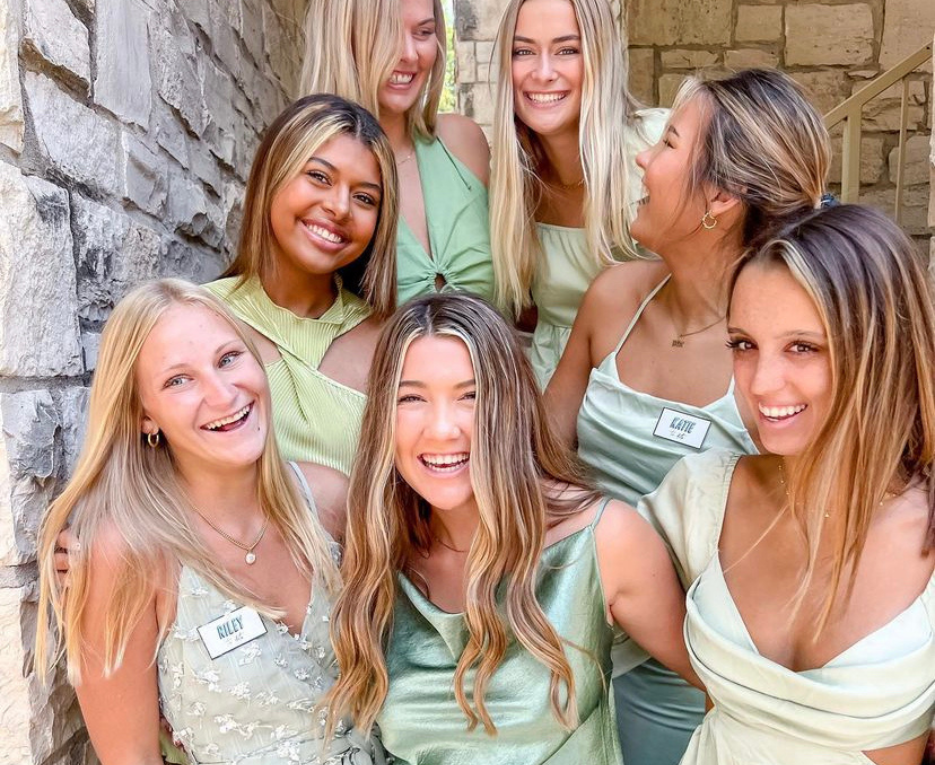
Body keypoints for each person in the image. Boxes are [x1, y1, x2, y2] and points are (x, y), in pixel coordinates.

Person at [545, 68, 830, 764]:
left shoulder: (783, 367)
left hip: (687, 690)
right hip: (561, 661)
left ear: (720, 197)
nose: (642, 157)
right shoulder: (612, 296)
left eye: (667, 141)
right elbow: (537, 460)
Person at [322, 293, 700, 764]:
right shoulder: (376, 549)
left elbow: (727, 693)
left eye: (471, 396)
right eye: (412, 397)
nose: (442, 429)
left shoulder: (602, 540)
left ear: (513, 406)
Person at [35, 279, 383, 765]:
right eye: (179, 380)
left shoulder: (330, 500)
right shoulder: (128, 553)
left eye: (228, 359)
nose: (222, 394)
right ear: (143, 415)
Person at [641, 204, 935, 764]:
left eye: (803, 347)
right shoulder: (705, 494)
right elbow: (577, 579)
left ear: (881, 351)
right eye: (744, 344)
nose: (762, 382)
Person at [207, 94, 398, 476]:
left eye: (364, 198)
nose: (340, 208)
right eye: (319, 177)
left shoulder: (391, 344)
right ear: (271, 175)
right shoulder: (199, 319)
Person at [489, 0, 668, 387]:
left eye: (567, 50)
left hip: (651, 393)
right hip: (550, 394)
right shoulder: (512, 181)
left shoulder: (661, 147)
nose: (543, 73)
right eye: (523, 51)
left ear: (599, 58)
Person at [302, 0, 495, 305]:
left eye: (423, 32)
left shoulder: (464, 142)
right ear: (345, 35)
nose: (409, 54)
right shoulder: (308, 166)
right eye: (387, 32)